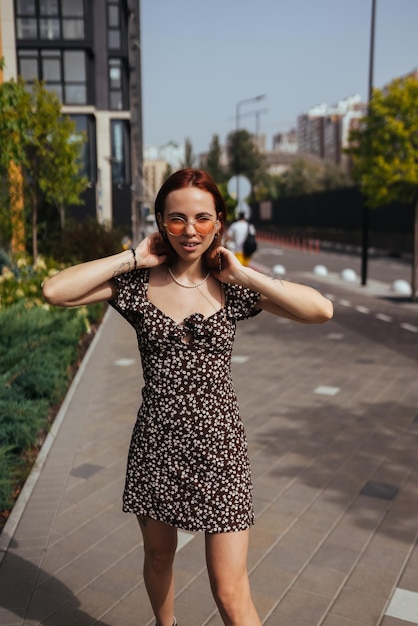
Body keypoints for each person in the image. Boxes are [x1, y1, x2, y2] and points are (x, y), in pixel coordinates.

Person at [42, 168, 333, 626]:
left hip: (221, 453)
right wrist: (132, 257)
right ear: (161, 221)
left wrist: (247, 274)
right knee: (159, 559)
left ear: (219, 220)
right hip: (158, 447)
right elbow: (54, 290)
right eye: (176, 218)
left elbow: (321, 310)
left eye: (201, 217)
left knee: (230, 590)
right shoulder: (137, 286)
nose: (189, 230)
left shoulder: (232, 287)